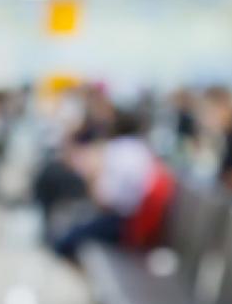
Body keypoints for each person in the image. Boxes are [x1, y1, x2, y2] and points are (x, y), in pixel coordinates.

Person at [50, 108, 157, 261]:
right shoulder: (143, 150)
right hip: (135, 222)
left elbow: (104, 198)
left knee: (65, 241)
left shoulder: (116, 149)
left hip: (122, 224)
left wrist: (92, 179)